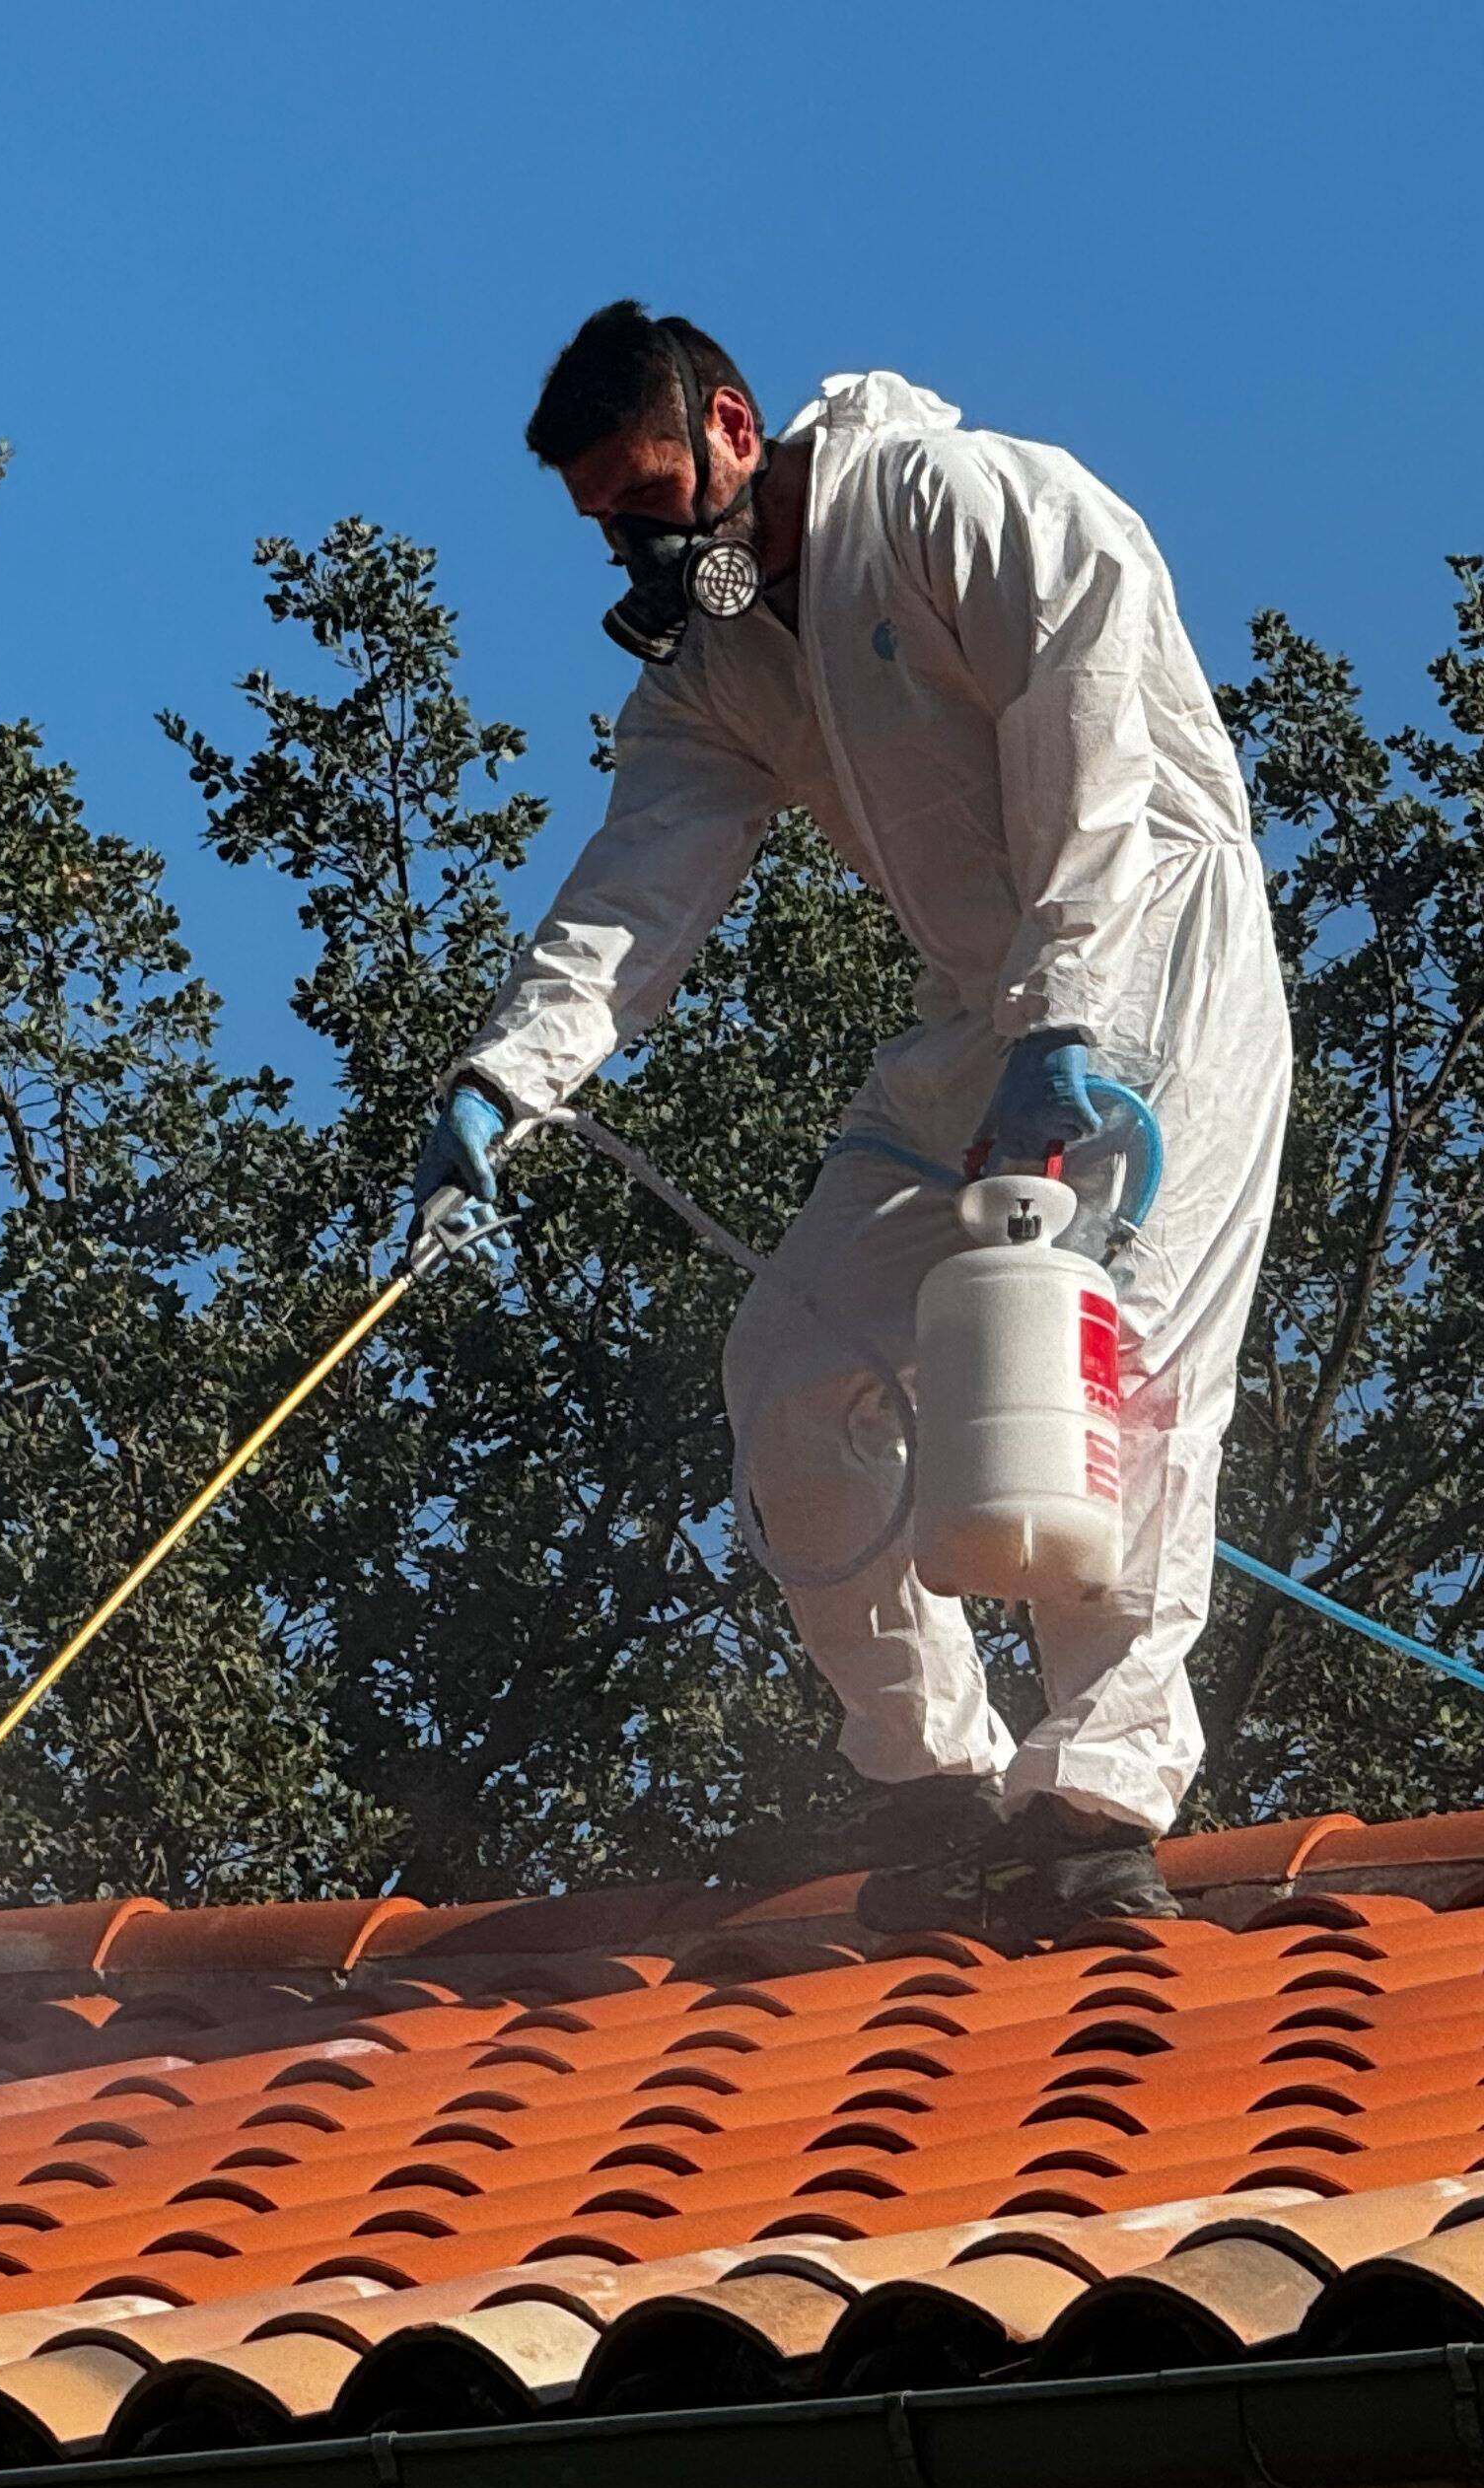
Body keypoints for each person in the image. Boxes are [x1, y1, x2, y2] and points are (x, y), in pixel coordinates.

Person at [410, 303, 1289, 1947]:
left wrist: (1072, 1017)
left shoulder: (980, 504)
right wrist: (510, 1076)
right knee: (798, 1367)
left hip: (1153, 969)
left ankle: (1095, 1803)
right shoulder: (721, 669)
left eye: (651, 490)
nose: (639, 539)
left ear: (733, 425)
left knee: (1121, 1371)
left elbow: (1093, 761)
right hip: (977, 1017)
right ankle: (928, 1779)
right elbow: (638, 887)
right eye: (607, 519)